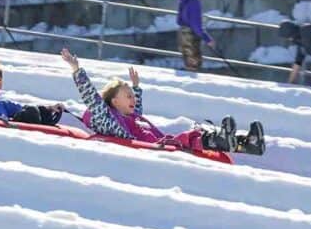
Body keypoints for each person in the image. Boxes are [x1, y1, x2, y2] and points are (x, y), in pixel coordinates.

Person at [60, 48, 265, 155]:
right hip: (157, 146)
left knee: (194, 134)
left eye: (132, 95)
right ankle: (220, 140)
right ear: (113, 101)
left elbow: (137, 110)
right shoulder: (107, 118)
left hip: (162, 141)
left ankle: (245, 143)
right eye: (128, 95)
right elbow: (91, 97)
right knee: (190, 137)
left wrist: (136, 87)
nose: (132, 99)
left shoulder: (132, 115)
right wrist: (76, 70)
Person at [177, 0, 215, 72]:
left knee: (188, 63)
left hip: (183, 33)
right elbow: (196, 25)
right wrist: (208, 39)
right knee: (195, 65)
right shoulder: (194, 3)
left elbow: (179, 19)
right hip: (191, 36)